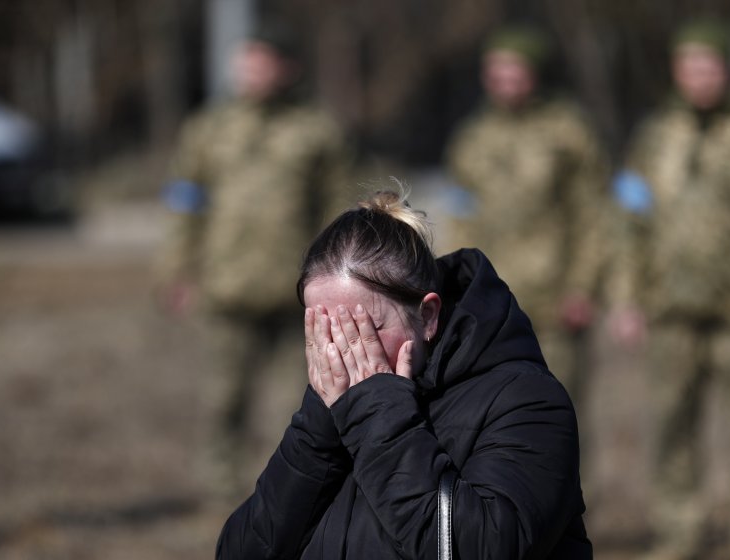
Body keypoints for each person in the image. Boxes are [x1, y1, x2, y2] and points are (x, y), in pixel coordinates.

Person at [215, 189, 592, 559]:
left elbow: (478, 546)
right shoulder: (330, 412)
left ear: (427, 316)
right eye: (326, 333)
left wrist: (379, 415)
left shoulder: (526, 401)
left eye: (365, 329)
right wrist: (317, 432)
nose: (344, 351)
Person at [608, 18, 730, 560]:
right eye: (689, 64)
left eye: (709, 64)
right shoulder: (654, 136)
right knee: (672, 434)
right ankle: (678, 538)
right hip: (671, 312)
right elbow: (630, 222)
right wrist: (626, 298)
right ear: (676, 70)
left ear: (726, 69)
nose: (699, 76)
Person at [156, 22, 351, 497]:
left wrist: (344, 280)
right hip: (227, 287)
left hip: (297, 293)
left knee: (302, 402)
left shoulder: (315, 131)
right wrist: (177, 270)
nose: (251, 72)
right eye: (246, 61)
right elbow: (186, 204)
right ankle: (220, 490)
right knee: (223, 397)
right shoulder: (209, 129)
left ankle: (294, 491)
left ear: (287, 69)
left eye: (262, 62)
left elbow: (339, 211)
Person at [445, 25, 609, 414]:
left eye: (515, 69)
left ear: (535, 73)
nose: (505, 80)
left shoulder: (568, 133)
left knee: (555, 409)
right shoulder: (472, 139)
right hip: (488, 302)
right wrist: (454, 288)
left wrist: (583, 287)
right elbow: (460, 217)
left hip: (554, 301)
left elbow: (593, 215)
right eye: (496, 70)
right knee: (488, 411)